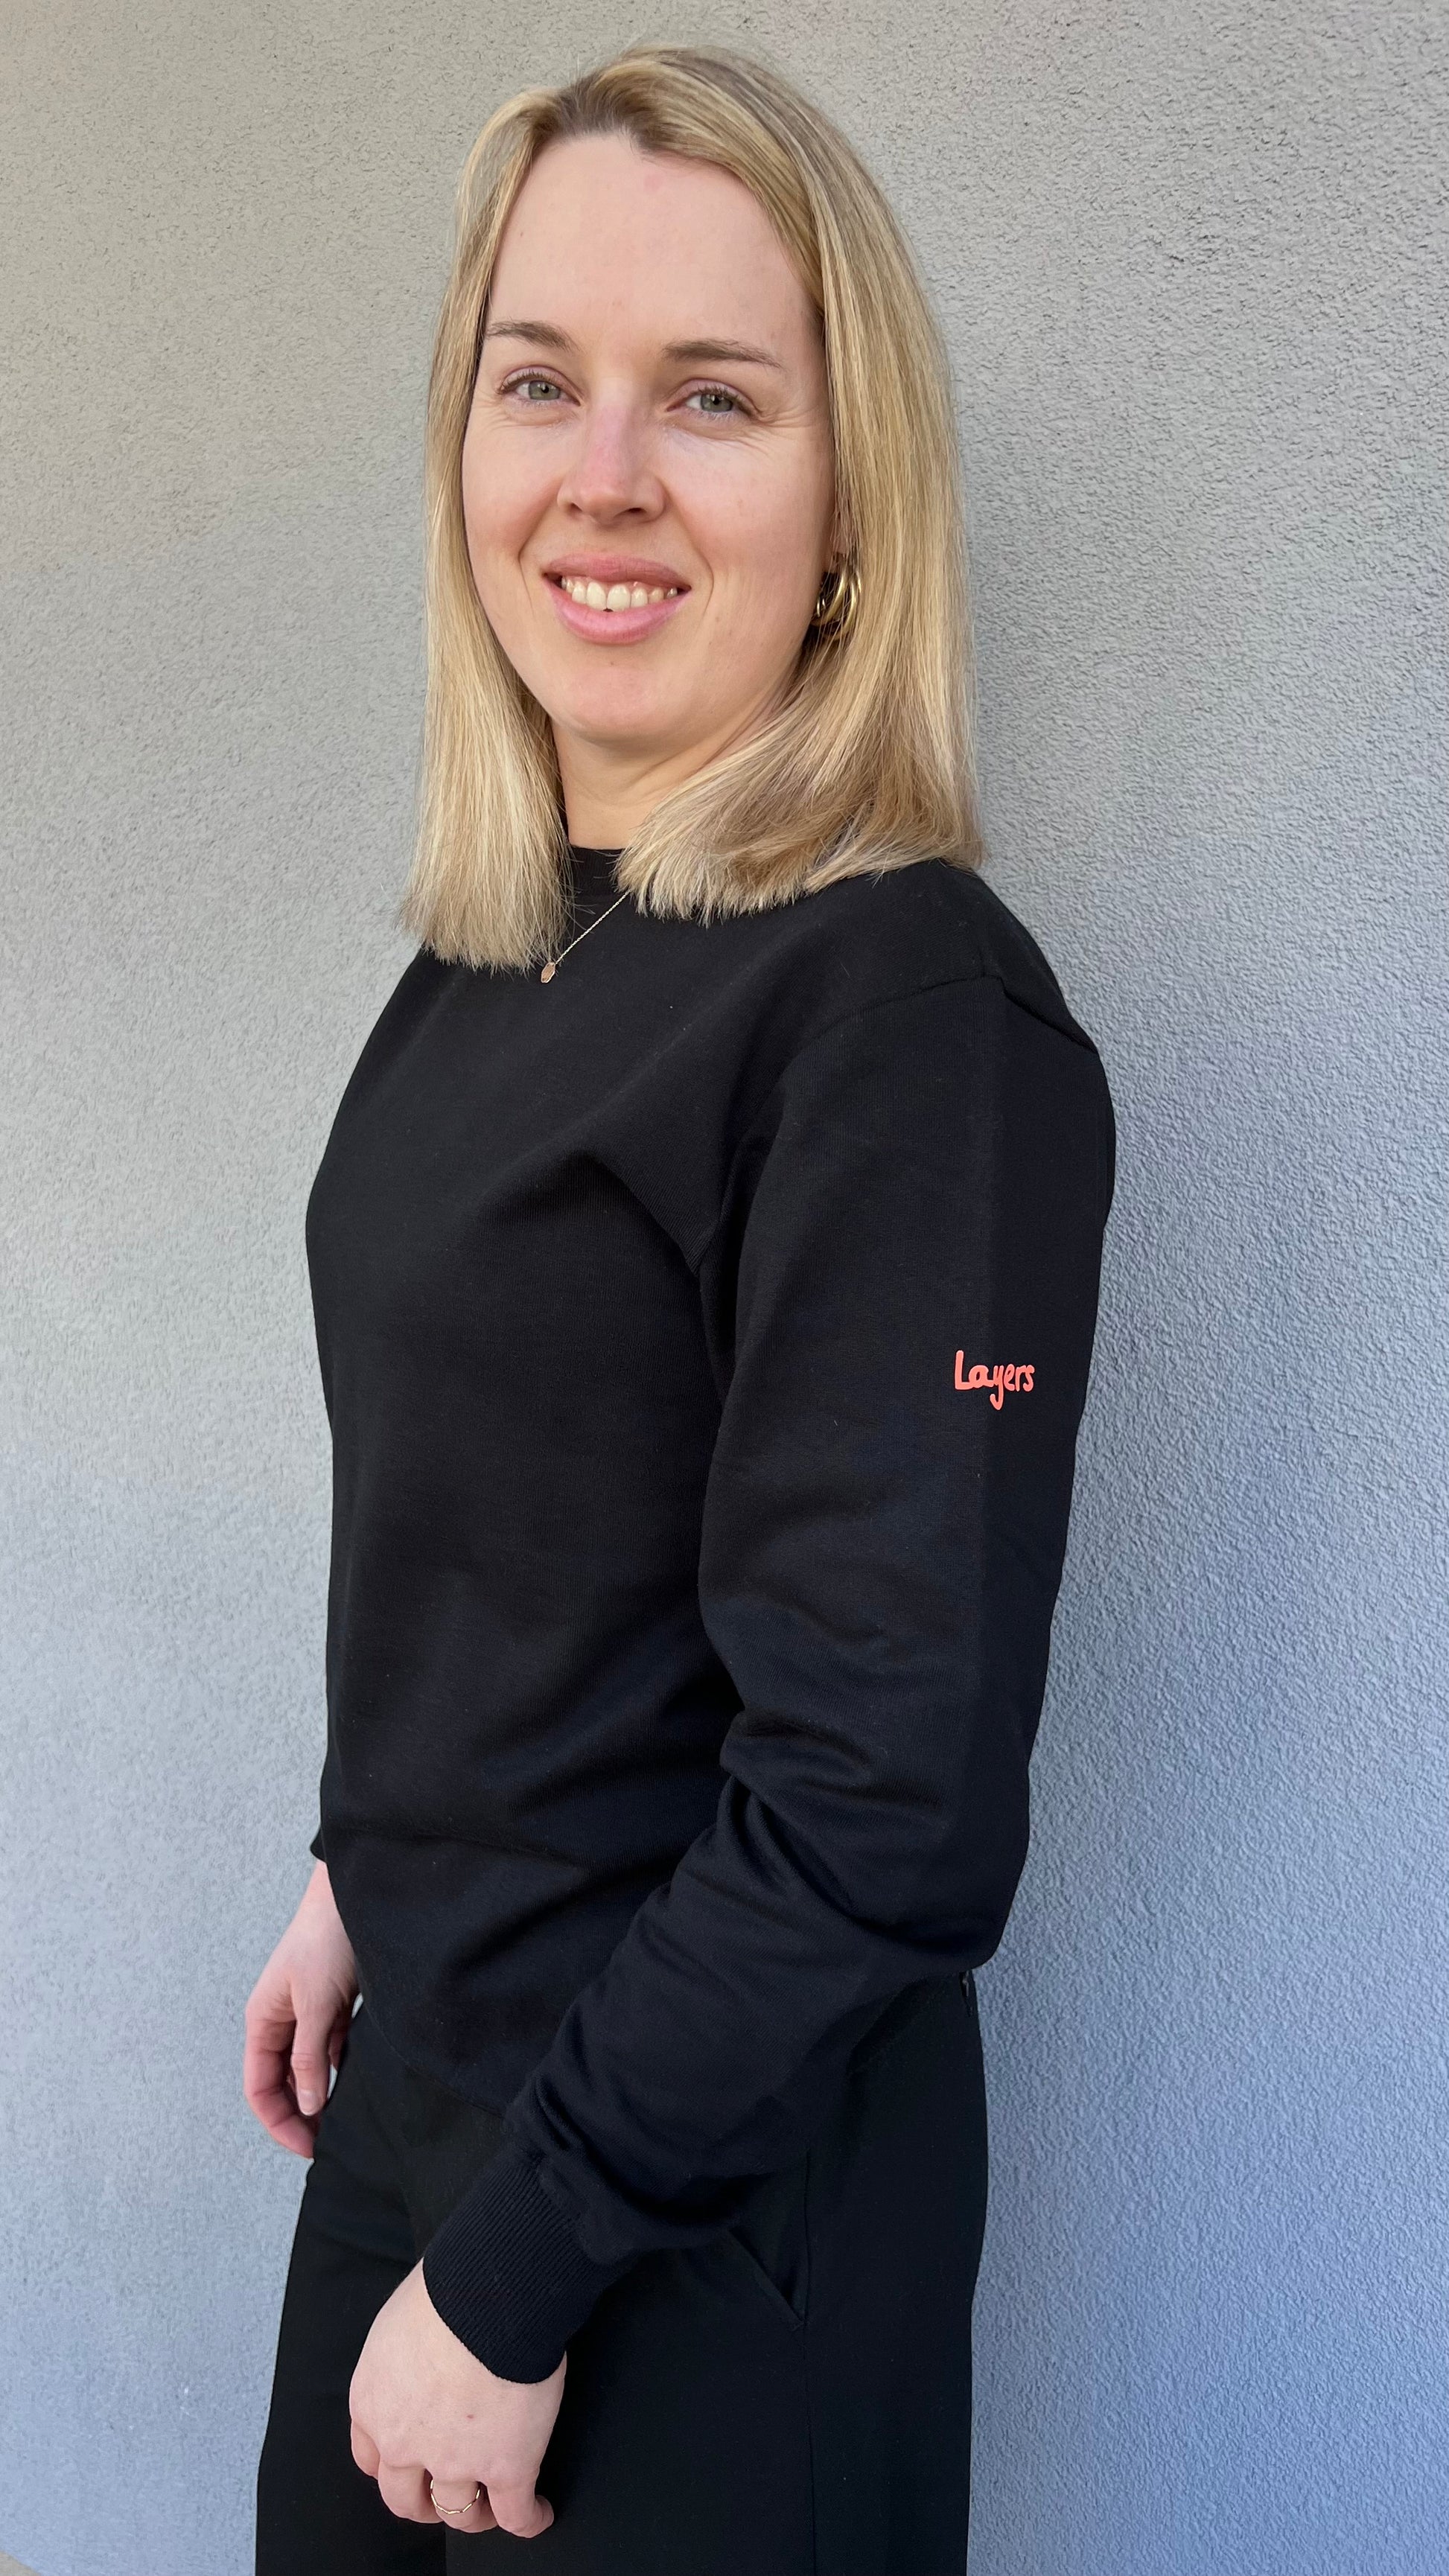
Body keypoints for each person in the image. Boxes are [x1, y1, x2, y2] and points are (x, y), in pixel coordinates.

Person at [245, 42, 1115, 2576]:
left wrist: (519, 2267)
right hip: (434, 2105)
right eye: (540, 381)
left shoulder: (904, 1013)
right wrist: (364, 1864)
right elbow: (524, 1523)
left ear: (847, 509)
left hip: (687, 2222)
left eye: (711, 397)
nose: (602, 471)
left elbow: (883, 1796)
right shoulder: (499, 954)